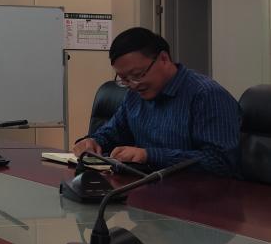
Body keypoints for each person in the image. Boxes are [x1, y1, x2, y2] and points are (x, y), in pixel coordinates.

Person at [72, 27, 240, 177]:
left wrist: (149, 155)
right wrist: (92, 142)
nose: (133, 85)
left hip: (201, 197)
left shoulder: (206, 95)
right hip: (147, 190)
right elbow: (112, 133)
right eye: (124, 79)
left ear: (164, 59)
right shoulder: (134, 96)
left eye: (137, 75)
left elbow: (221, 162)